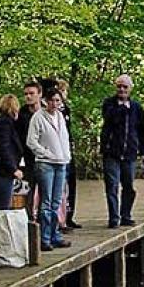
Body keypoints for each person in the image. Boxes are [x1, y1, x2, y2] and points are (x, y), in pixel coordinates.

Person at [100, 75, 144, 228]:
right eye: (119, 86)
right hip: (111, 152)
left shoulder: (136, 108)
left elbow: (142, 130)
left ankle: (125, 215)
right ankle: (114, 217)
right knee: (112, 185)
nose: (122, 90)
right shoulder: (109, 104)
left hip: (130, 153)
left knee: (129, 186)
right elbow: (109, 119)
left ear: (130, 89)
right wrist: (122, 108)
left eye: (125, 87)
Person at [26, 88, 71, 251]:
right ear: (45, 101)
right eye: (52, 100)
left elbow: (65, 138)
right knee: (46, 201)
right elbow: (31, 141)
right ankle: (45, 238)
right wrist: (46, 153)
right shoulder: (38, 117)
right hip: (46, 163)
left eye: (58, 100)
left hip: (61, 162)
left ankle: (55, 234)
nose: (55, 104)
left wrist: (66, 155)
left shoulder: (60, 117)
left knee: (57, 201)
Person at [0, 94, 25, 213]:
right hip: (3, 172)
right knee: (2, 208)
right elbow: (4, 148)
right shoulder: (5, 124)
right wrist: (13, 169)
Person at [56, 79, 82, 231]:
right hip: (58, 154)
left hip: (67, 151)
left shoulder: (66, 110)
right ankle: (61, 219)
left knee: (70, 184)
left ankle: (69, 215)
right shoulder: (54, 111)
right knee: (61, 187)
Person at [15, 81, 42, 218]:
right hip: (27, 160)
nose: (28, 97)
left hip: (45, 159)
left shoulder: (46, 113)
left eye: (32, 93)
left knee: (46, 194)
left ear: (39, 94)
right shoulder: (21, 115)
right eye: (26, 94)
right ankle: (28, 220)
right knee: (27, 192)